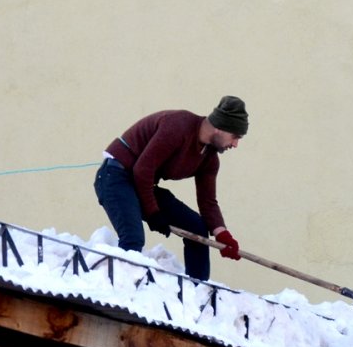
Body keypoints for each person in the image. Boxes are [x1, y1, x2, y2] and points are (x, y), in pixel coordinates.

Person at [94, 96, 248, 281]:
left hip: (142, 184)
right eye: (235, 136)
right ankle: (116, 289)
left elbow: (208, 202)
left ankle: (196, 290)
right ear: (220, 127)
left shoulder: (209, 159)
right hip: (116, 176)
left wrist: (223, 236)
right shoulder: (178, 126)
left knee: (197, 227)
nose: (235, 144)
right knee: (133, 238)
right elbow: (143, 169)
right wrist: (153, 213)